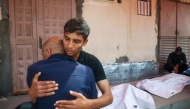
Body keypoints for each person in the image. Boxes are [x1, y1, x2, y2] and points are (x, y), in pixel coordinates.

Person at [24, 18, 113, 109]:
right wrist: (31, 93)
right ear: (63, 36)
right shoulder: (54, 57)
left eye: (76, 41)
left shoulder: (91, 62)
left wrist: (87, 104)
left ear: (85, 42)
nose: (70, 46)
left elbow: (108, 97)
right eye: (67, 39)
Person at [27, 36, 97, 109]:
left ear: (48, 51)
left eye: (42, 55)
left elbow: (34, 99)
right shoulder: (87, 71)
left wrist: (30, 93)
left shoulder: (34, 69)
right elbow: (94, 103)